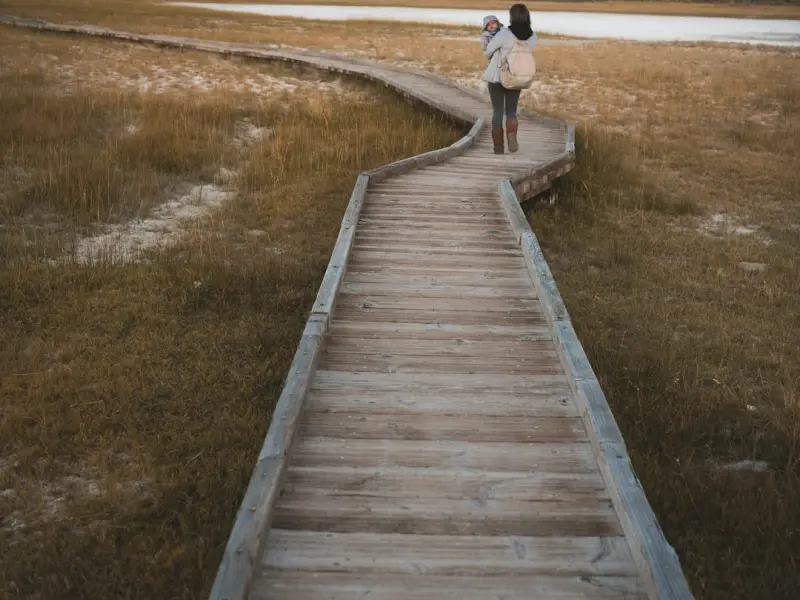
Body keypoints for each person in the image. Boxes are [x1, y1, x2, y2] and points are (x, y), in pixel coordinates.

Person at [481, 3, 537, 154]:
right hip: (517, 77)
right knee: (512, 111)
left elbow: (487, 52)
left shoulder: (505, 33)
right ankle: (512, 134)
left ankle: (498, 148)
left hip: (497, 77)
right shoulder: (532, 35)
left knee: (497, 111)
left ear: (512, 17)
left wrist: (499, 49)